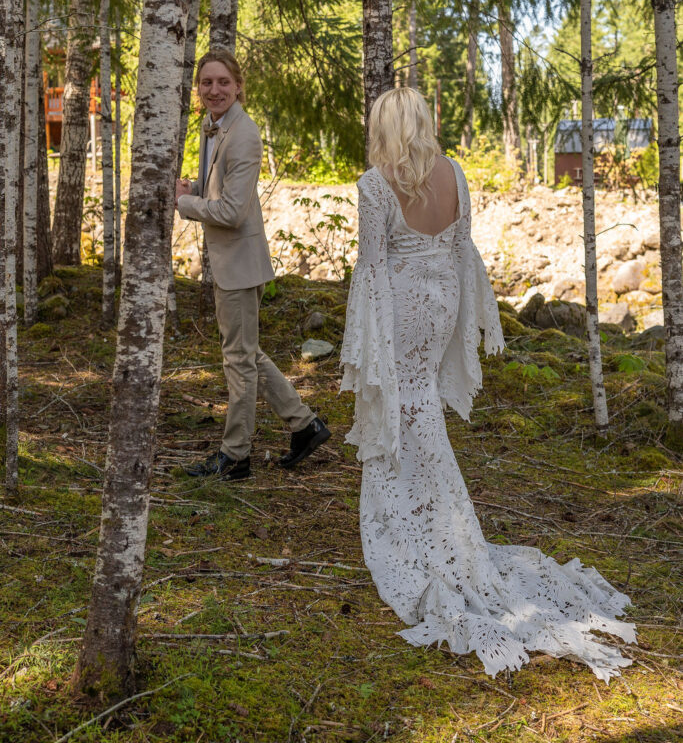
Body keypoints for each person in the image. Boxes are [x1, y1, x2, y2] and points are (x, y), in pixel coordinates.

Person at [340, 87, 635, 681]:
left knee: (401, 409)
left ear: (382, 128)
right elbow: (461, 249)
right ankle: (441, 519)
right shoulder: (456, 173)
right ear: (424, 121)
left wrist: (359, 346)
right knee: (421, 408)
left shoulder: (375, 184)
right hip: (441, 297)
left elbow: (370, 265)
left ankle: (418, 530)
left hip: (398, 302)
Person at [176, 48, 330, 480]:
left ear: (239, 85)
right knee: (246, 352)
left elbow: (231, 212)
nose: (214, 90)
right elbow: (222, 191)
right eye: (206, 83)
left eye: (223, 82)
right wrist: (196, 188)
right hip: (233, 261)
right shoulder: (214, 128)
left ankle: (236, 456)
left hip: (239, 266)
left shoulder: (243, 133)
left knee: (239, 361)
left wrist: (185, 203)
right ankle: (305, 425)